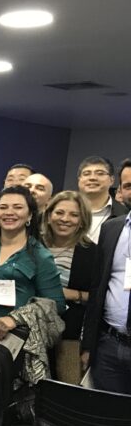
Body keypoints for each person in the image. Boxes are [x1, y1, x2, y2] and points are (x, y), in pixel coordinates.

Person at [0, 186, 65, 333]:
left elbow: (56, 304)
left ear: (30, 215)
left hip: (9, 336)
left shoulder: (40, 256)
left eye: (17, 207)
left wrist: (17, 318)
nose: (9, 212)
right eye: (3, 207)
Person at [81, 160, 131, 394]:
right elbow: (98, 288)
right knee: (104, 413)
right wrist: (88, 345)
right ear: (120, 190)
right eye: (128, 186)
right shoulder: (111, 229)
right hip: (109, 346)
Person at [40, 191, 97, 384]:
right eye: (59, 212)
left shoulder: (92, 252)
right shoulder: (33, 244)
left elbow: (100, 298)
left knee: (67, 387)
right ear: (49, 216)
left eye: (74, 215)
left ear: (82, 221)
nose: (65, 219)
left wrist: (72, 294)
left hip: (69, 336)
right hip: (30, 329)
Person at [78, 156, 128, 243]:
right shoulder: (64, 211)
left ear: (112, 180)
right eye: (86, 174)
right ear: (79, 180)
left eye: (100, 173)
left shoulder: (125, 214)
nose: (92, 178)